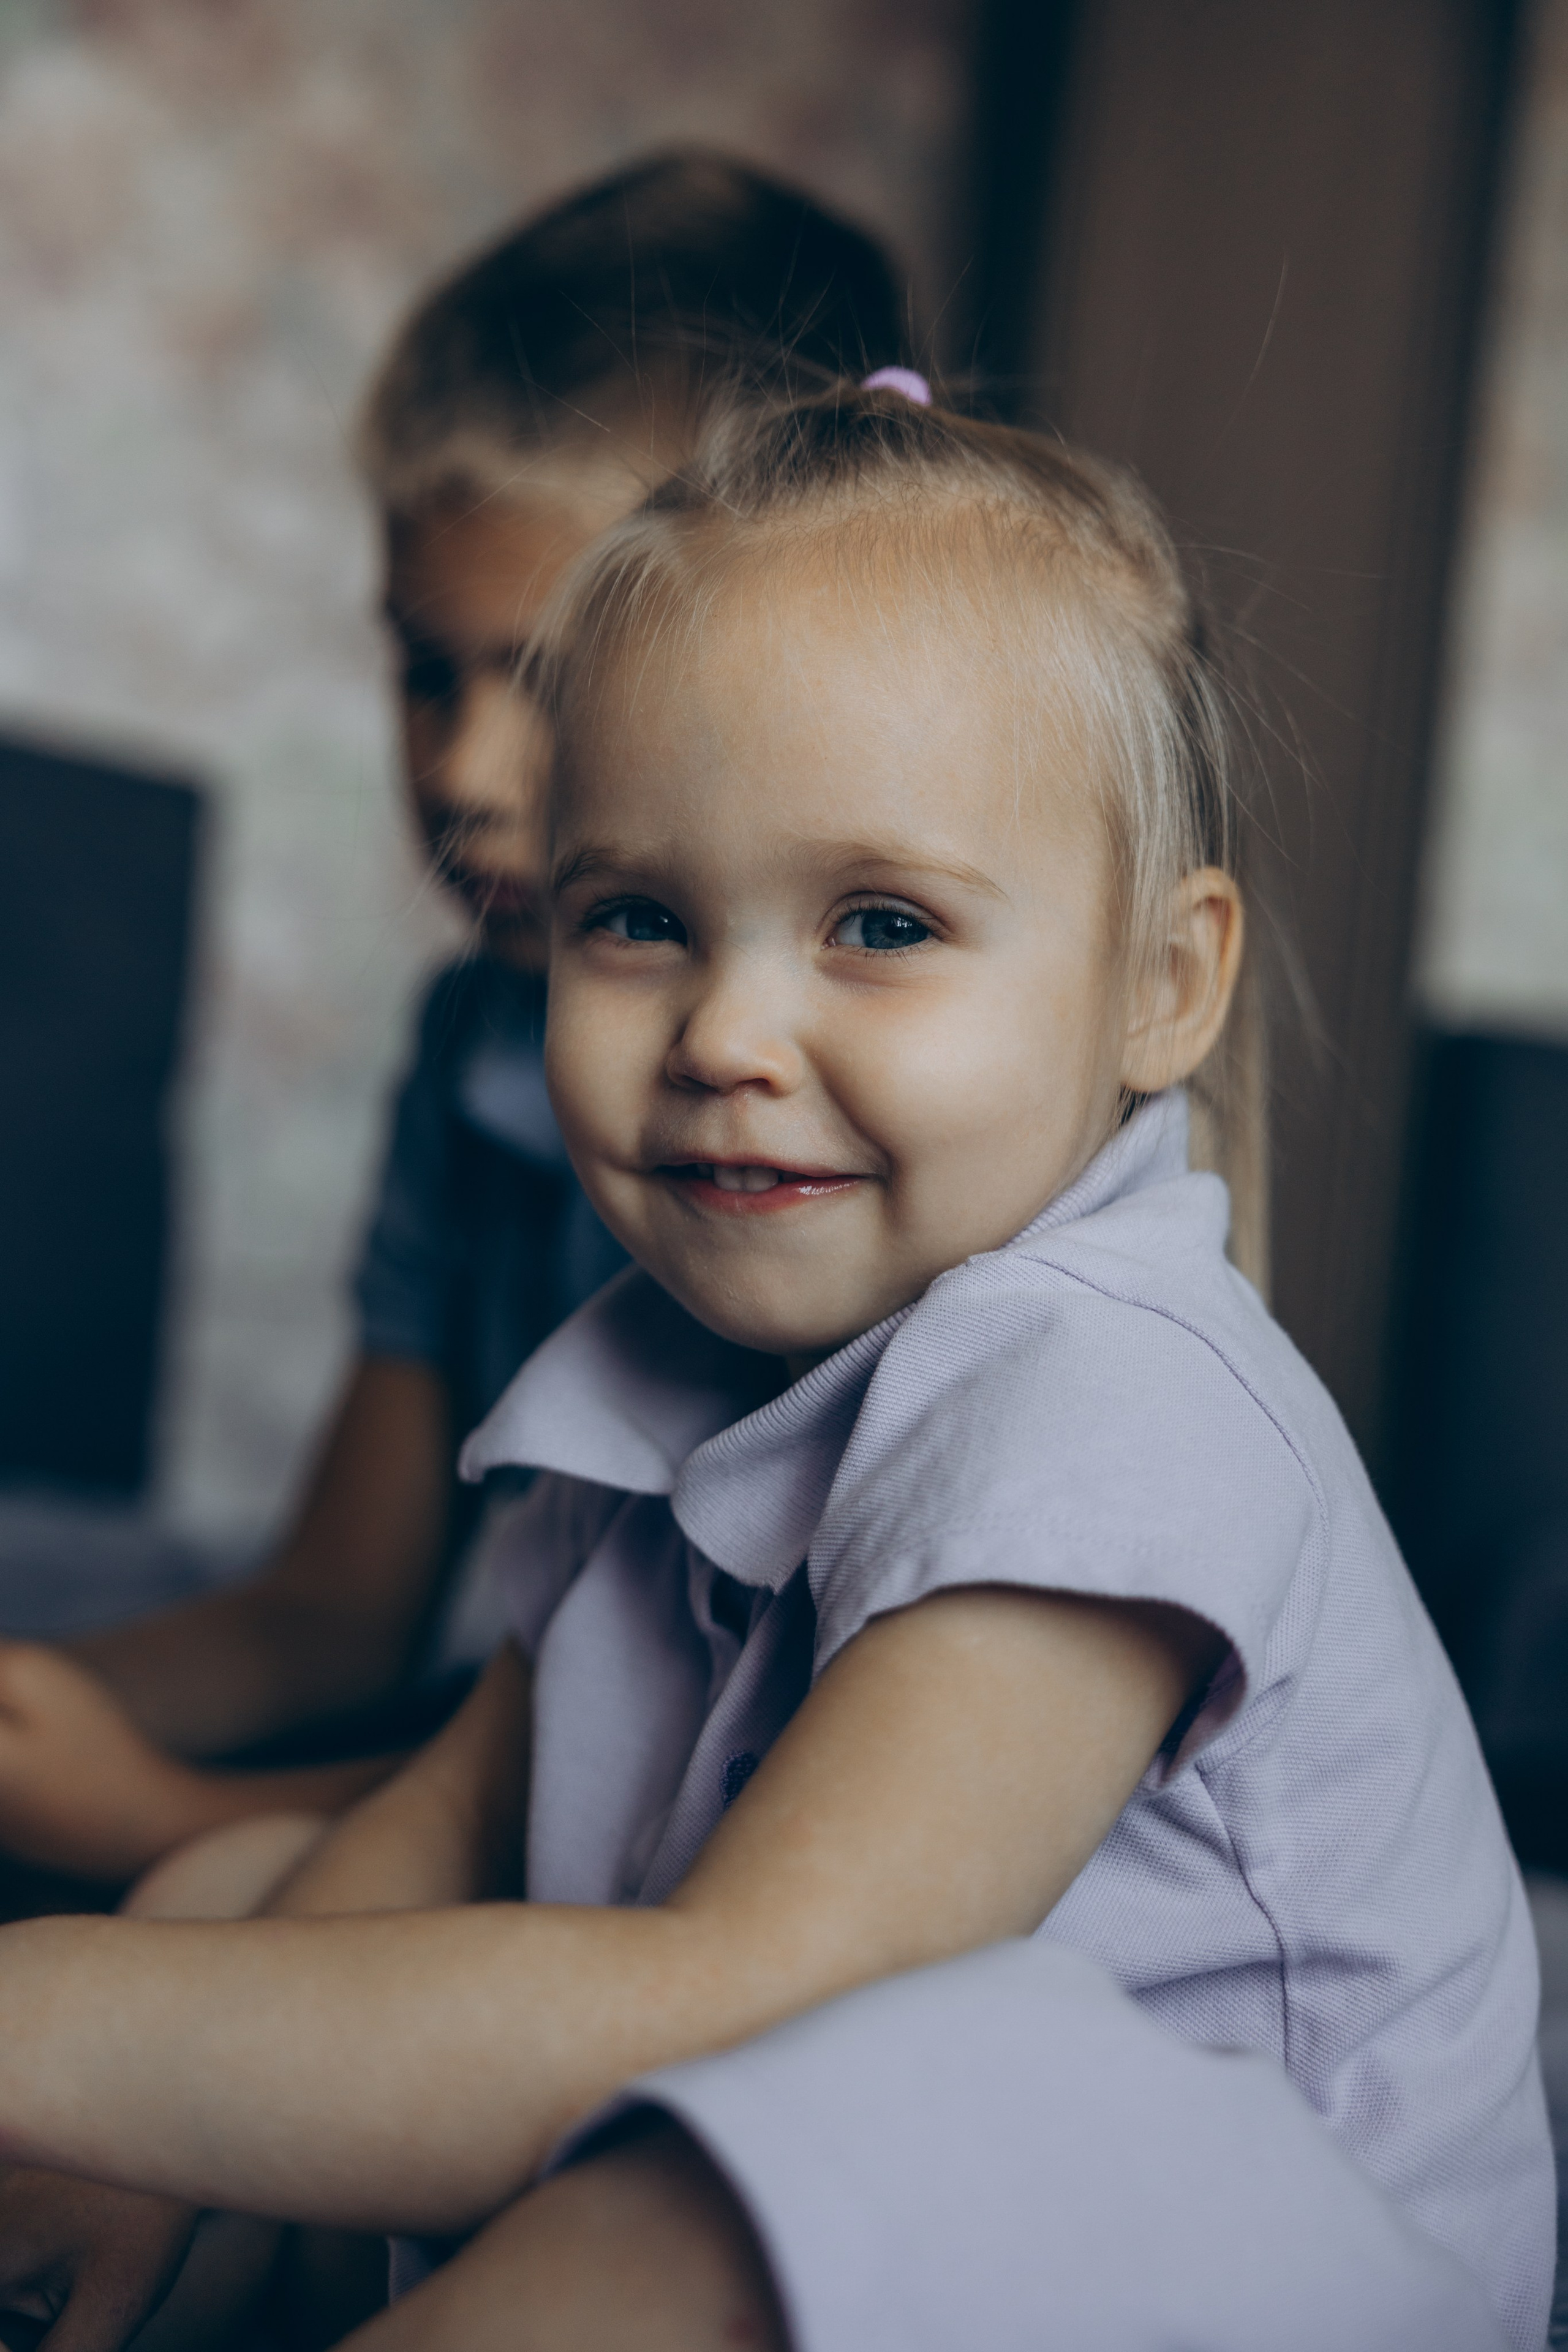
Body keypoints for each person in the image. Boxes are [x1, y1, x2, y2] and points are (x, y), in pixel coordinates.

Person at [0, 380, 1550, 2352]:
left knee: (707, 2192)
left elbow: (766, 2004)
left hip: (1262, 2281)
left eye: (880, 923)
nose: (728, 1029)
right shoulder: (662, 1367)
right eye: (637, 918)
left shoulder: (1121, 1396)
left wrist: (32, 2016)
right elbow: (449, 1826)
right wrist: (147, 2135)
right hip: (886, 2175)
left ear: (1162, 984)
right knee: (240, 1883)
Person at [0, 152, 910, 1891]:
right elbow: (337, 1610)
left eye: (551, 684)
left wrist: (158, 1821)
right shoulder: (470, 1045)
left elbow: (692, 1747)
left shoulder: (791, 1126)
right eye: (427, 668)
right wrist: (59, 1709)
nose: (462, 774)